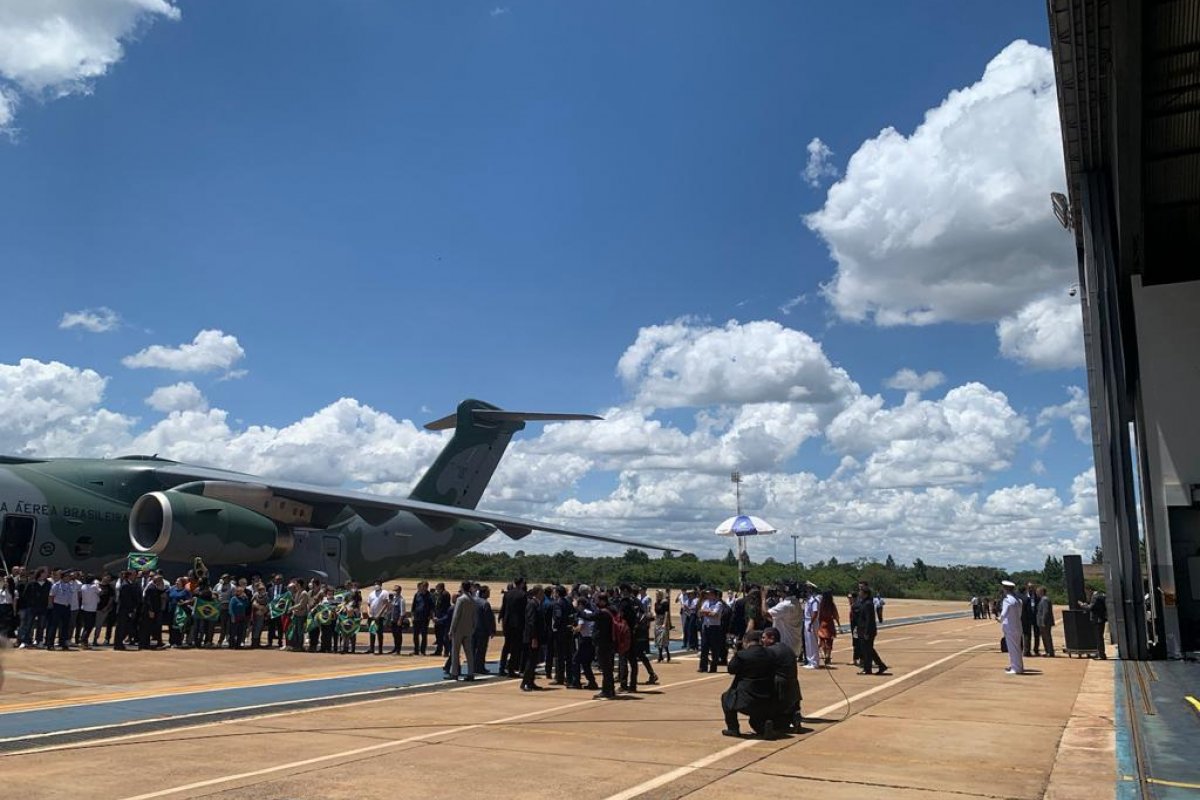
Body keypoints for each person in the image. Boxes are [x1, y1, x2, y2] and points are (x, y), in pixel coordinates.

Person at [721, 630, 778, 739]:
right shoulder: (771, 653)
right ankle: (764, 727)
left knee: (725, 698)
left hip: (747, 699)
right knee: (756, 721)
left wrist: (737, 653)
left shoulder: (742, 655)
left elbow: (731, 669)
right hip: (767, 698)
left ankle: (733, 728)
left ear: (746, 641)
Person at [762, 627, 802, 732]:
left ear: (771, 638)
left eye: (764, 638)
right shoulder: (788, 649)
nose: (762, 640)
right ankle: (794, 716)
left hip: (780, 687)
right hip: (793, 686)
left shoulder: (770, 651)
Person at [446, 580, 477, 681]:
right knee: (469, 652)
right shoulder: (472, 599)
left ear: (462, 587)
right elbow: (474, 616)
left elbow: (456, 616)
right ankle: (470, 673)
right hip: (468, 629)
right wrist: (473, 628)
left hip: (459, 629)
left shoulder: (460, 600)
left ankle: (454, 673)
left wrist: (451, 629)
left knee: (455, 652)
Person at [855, 586, 887, 675]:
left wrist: (866, 632)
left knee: (867, 650)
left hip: (867, 630)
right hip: (863, 629)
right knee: (868, 650)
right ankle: (878, 666)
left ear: (865, 594)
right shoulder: (863, 602)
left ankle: (870, 668)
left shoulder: (868, 604)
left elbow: (869, 619)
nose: (859, 593)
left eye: (860, 592)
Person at [764, 585, 802, 659]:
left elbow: (765, 613)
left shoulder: (785, 605)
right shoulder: (796, 602)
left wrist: (763, 597)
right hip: (794, 644)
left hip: (785, 644)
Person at [500, 578, 527, 677]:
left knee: (506, 646)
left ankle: (501, 668)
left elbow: (503, 608)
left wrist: (502, 620)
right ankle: (511, 669)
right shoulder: (523, 595)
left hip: (507, 623)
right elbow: (524, 611)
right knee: (515, 647)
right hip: (518, 624)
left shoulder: (507, 594)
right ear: (521, 584)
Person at [520, 585, 545, 691]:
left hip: (536, 637)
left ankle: (531, 681)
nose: (543, 594)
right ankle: (525, 683)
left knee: (534, 661)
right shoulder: (532, 604)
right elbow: (531, 622)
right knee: (530, 661)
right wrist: (534, 638)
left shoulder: (537, 603)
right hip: (532, 637)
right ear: (538, 593)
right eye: (542, 592)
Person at [698, 588, 726, 673]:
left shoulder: (719, 604)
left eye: (710, 594)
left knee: (714, 648)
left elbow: (715, 614)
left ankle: (713, 667)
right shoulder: (706, 602)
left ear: (714, 595)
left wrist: (706, 612)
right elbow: (700, 612)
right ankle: (703, 667)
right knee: (704, 647)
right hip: (706, 626)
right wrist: (708, 612)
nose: (708, 595)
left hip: (715, 627)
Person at [999, 580, 1024, 674]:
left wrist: (999, 619)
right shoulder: (1018, 600)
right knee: (1017, 648)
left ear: (1005, 589)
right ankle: (1017, 666)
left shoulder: (1007, 600)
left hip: (1010, 627)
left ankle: (1016, 668)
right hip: (1017, 625)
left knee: (1012, 649)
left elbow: (1003, 614)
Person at [473, 584, 495, 673]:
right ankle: (480, 667)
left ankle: (473, 667)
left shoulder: (473, 601)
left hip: (473, 629)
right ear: (484, 593)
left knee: (473, 649)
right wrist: (492, 630)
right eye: (488, 592)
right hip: (482, 630)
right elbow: (488, 619)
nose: (489, 593)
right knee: (481, 650)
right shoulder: (485, 603)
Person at [1081, 587, 1108, 659]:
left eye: (1087, 592)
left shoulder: (1095, 597)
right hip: (1100, 619)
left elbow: (1091, 607)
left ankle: (1101, 654)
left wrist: (1083, 605)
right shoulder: (1099, 595)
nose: (1087, 594)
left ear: (1090, 590)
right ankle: (1100, 653)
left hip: (1098, 620)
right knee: (1099, 637)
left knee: (1099, 637)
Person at [816, 590, 839, 666]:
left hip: (822, 623)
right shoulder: (831, 605)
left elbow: (818, 615)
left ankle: (826, 654)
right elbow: (835, 615)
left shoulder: (821, 604)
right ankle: (828, 655)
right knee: (829, 640)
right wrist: (839, 625)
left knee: (822, 640)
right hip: (829, 623)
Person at [366, 581, 390, 655]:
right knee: (372, 632)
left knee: (379, 633)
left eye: (378, 584)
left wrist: (379, 614)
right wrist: (369, 613)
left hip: (380, 616)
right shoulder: (371, 593)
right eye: (375, 584)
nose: (376, 586)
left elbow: (385, 604)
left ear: (381, 585)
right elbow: (368, 604)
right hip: (372, 616)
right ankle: (371, 648)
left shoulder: (384, 592)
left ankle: (380, 649)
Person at [802, 583, 820, 669]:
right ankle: (810, 661)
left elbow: (815, 612)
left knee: (813, 643)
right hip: (807, 620)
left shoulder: (814, 600)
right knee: (808, 642)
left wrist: (811, 623)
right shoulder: (808, 600)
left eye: (808, 589)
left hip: (811, 621)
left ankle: (814, 662)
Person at [410, 580, 431, 655]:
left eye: (424, 587)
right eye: (422, 586)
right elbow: (413, 606)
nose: (423, 588)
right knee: (415, 635)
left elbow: (432, 607)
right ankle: (416, 650)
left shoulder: (429, 596)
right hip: (417, 617)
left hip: (425, 618)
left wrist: (430, 616)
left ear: (427, 587)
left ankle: (423, 650)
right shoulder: (417, 594)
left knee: (424, 635)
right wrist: (412, 616)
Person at [1035, 586, 1055, 657]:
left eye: (1038, 592)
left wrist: (1043, 621)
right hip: (1043, 622)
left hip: (1045, 623)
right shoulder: (1043, 599)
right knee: (1045, 637)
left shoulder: (1045, 600)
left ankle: (1050, 652)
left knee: (1047, 637)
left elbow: (1045, 611)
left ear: (1042, 592)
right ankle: (1048, 651)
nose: (1037, 593)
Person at [387, 585, 406, 655]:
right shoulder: (393, 599)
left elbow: (402, 612)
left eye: (396, 590)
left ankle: (398, 649)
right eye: (394, 590)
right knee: (394, 635)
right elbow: (390, 609)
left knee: (398, 635)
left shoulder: (401, 600)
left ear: (400, 591)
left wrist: (400, 620)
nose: (395, 592)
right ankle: (395, 648)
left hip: (398, 620)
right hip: (393, 619)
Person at [653, 590, 672, 663]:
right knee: (658, 638)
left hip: (663, 620)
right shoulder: (656, 603)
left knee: (663, 638)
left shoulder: (665, 602)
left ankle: (666, 654)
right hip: (658, 620)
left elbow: (666, 613)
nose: (656, 595)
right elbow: (656, 613)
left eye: (657, 594)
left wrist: (664, 623)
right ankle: (660, 655)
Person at [1020, 581, 1037, 657]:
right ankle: (1026, 650)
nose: (1031, 589)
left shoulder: (1036, 596)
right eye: (1029, 587)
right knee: (1026, 635)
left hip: (1035, 617)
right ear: (1027, 587)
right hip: (1026, 619)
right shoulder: (1024, 597)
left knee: (1036, 634)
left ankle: (1036, 649)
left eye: (1032, 587)